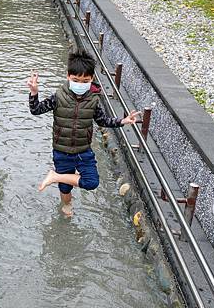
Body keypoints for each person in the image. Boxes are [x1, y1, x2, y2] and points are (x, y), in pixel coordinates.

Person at [28, 50, 140, 216]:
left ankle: (55, 176)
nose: (80, 83)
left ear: (91, 79)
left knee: (91, 182)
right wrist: (34, 92)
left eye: (85, 80)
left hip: (83, 152)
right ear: (68, 76)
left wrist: (122, 121)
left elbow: (102, 121)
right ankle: (66, 206)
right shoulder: (58, 97)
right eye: (76, 80)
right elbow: (36, 110)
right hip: (62, 151)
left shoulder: (94, 100)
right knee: (65, 187)